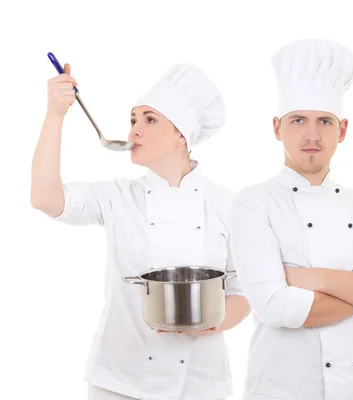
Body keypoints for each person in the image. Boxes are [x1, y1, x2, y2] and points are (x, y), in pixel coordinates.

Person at [31, 62, 250, 400]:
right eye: (133, 120)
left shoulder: (229, 206)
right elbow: (45, 198)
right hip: (118, 382)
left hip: (199, 384)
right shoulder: (118, 197)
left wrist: (208, 323)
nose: (134, 131)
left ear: (182, 135)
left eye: (150, 120)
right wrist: (55, 116)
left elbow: (243, 292)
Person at [229, 38, 353, 400]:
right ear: (277, 128)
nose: (312, 135)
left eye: (324, 121)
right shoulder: (254, 204)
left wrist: (313, 280)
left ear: (343, 130)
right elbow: (275, 308)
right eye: (298, 120)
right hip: (279, 390)